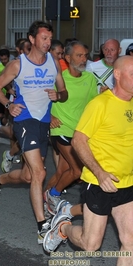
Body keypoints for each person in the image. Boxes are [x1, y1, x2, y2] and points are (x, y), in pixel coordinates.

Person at [43, 56, 133, 266]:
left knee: (130, 242)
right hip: (99, 183)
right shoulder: (100, 104)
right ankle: (62, 228)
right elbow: (78, 141)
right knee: (90, 244)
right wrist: (100, 173)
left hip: (128, 183)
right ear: (117, 75)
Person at [0, 20, 68, 244]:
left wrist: (57, 96)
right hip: (24, 120)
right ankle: (42, 227)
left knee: (29, 175)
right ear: (32, 39)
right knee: (40, 173)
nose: (48, 42)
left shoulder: (53, 61)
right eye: (44, 38)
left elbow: (64, 92)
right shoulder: (17, 64)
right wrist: (8, 105)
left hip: (43, 122)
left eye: (50, 39)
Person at [43, 41, 98, 218]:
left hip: (79, 131)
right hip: (61, 129)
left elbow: (92, 105)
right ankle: (53, 195)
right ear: (67, 58)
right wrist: (49, 116)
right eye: (79, 55)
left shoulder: (89, 78)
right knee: (77, 171)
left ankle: (42, 199)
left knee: (62, 172)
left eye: (85, 55)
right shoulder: (58, 78)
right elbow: (42, 100)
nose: (83, 59)